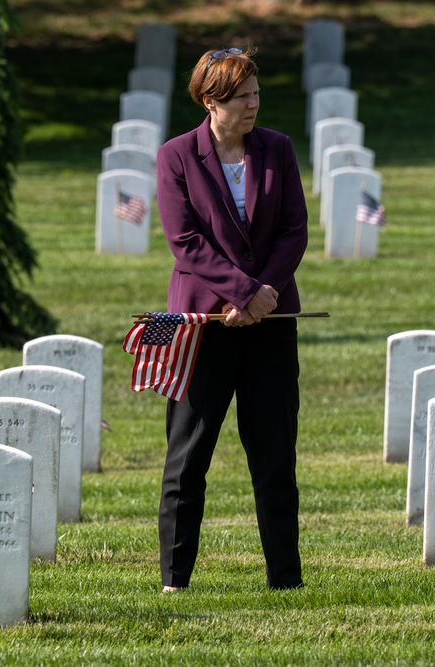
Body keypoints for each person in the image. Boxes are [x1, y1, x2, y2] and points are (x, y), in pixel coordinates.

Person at [154, 46, 310, 592]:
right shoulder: (176, 156)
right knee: (188, 457)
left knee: (274, 456)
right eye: (242, 97)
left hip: (271, 323)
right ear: (209, 100)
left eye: (257, 94)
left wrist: (263, 295)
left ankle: (285, 580)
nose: (253, 105)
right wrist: (243, 292)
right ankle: (175, 578)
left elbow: (294, 230)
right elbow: (185, 241)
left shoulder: (278, 150)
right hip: (203, 325)